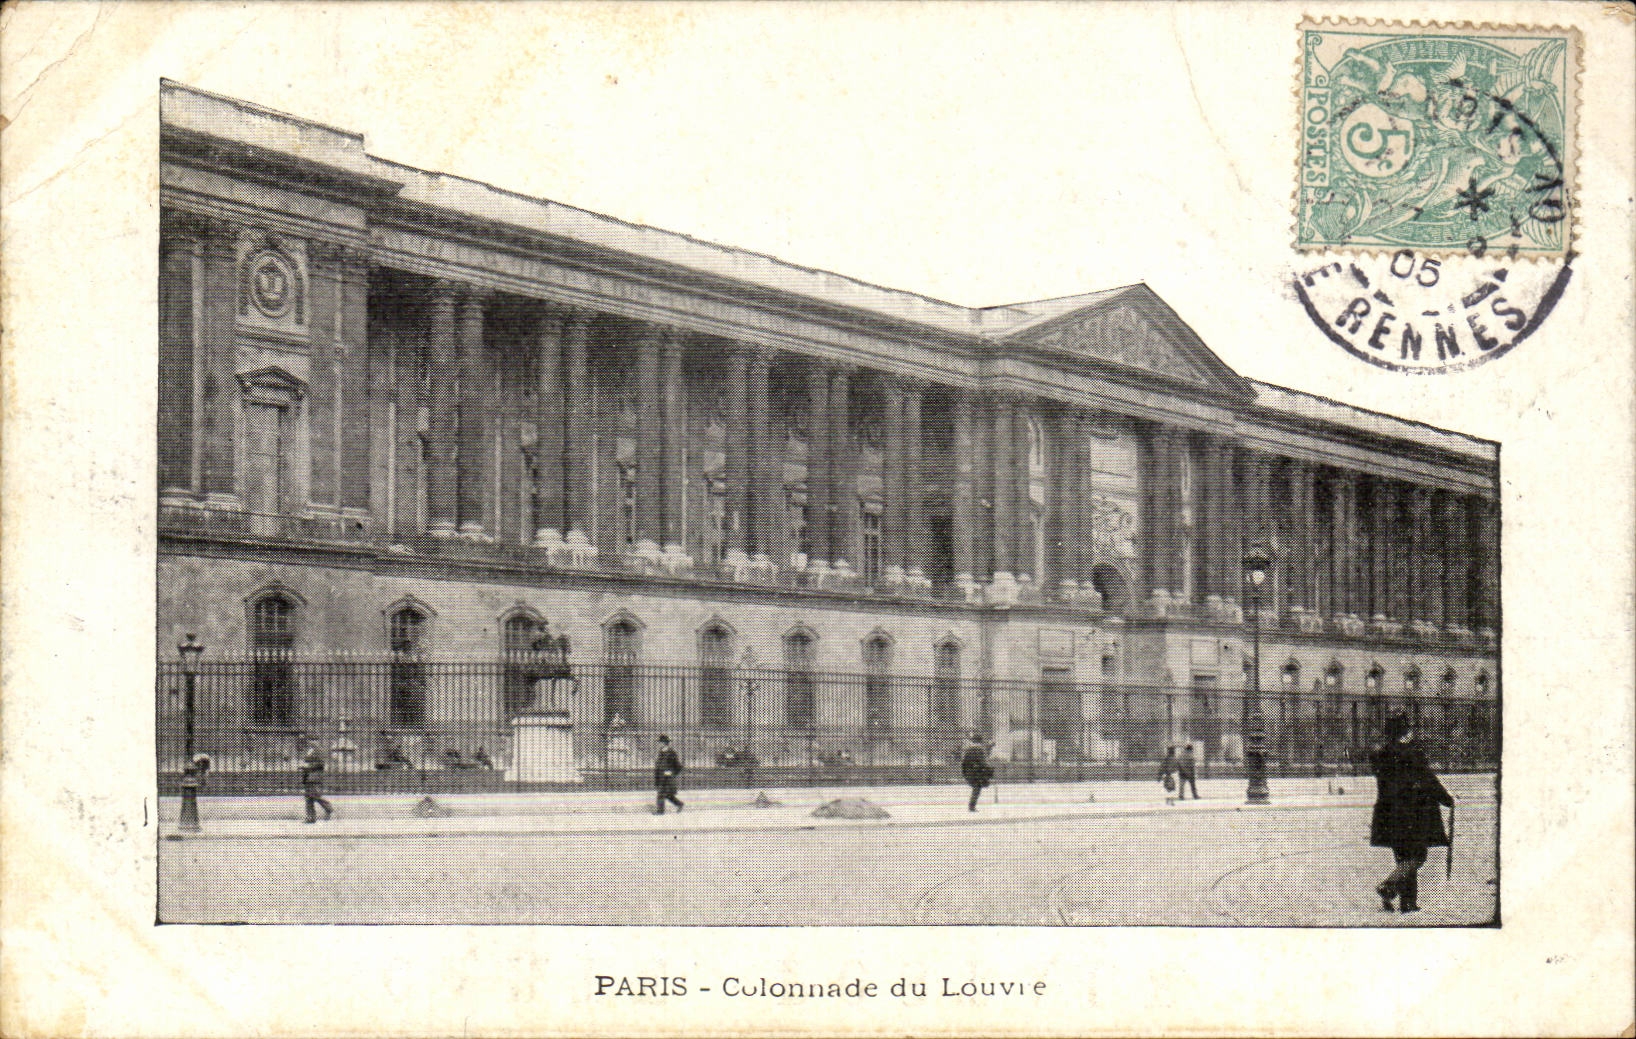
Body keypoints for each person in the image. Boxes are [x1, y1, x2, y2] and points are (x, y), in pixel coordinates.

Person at [1370, 711, 1454, 913]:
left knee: (1403, 858)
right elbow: (1428, 780)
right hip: (1412, 813)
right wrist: (1446, 799)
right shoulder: (1412, 753)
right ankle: (1389, 885)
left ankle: (1408, 903)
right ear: (1405, 731)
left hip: (1388, 814)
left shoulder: (1380, 754)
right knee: (1417, 856)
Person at [299, 743, 334, 823]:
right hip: (308, 776)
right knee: (308, 797)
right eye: (309, 739)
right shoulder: (309, 750)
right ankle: (311, 817)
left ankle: (328, 808)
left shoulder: (319, 750)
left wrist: (308, 766)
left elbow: (321, 763)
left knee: (315, 795)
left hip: (314, 777)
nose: (310, 741)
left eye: (313, 739)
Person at [960, 732, 993, 812]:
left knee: (976, 788)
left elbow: (964, 762)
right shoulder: (979, 749)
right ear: (980, 741)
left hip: (969, 772)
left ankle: (972, 806)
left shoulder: (968, 750)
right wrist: (989, 769)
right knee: (977, 789)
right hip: (977, 772)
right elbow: (983, 762)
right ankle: (972, 806)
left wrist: (964, 773)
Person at [654, 734, 684, 814]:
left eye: (660, 742)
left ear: (664, 743)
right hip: (661, 777)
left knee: (661, 794)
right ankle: (679, 804)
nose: (659, 744)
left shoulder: (671, 753)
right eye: (659, 742)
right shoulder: (661, 752)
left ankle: (660, 811)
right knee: (667, 795)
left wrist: (671, 773)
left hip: (668, 778)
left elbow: (678, 766)